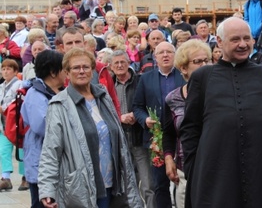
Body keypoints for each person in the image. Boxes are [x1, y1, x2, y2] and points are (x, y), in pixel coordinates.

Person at [180, 17, 262, 207]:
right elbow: (190, 129)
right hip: (216, 175)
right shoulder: (202, 78)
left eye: (247, 38)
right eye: (235, 39)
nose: (243, 44)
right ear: (219, 42)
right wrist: (194, 169)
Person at [38, 48, 142, 208]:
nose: (81, 71)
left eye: (86, 67)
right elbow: (50, 151)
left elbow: (117, 138)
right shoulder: (59, 105)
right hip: (82, 188)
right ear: (66, 72)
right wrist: (47, 189)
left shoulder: (103, 96)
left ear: (93, 70)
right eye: (75, 68)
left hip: (115, 186)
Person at [133, 41, 185, 208]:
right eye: (161, 52)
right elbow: (137, 106)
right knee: (160, 184)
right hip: (156, 139)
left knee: (183, 181)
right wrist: (145, 119)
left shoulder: (183, 76)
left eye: (169, 52)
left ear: (175, 55)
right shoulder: (146, 78)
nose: (165, 55)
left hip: (181, 138)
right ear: (155, 57)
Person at [163, 39, 211, 208]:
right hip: (185, 171)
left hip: (217, 170)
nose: (204, 65)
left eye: (207, 60)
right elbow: (168, 133)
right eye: (198, 61)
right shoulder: (172, 99)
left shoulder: (221, 95)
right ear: (183, 68)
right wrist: (169, 159)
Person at [108, 50, 155, 208]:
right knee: (128, 183)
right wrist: (120, 117)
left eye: (123, 62)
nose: (120, 66)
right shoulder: (108, 86)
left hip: (139, 136)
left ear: (129, 63)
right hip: (120, 139)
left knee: (148, 183)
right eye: (116, 63)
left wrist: (138, 115)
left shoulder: (140, 81)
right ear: (111, 67)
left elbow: (149, 103)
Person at [21, 50, 65, 208]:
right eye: (63, 68)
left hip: (55, 166)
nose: (66, 73)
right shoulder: (35, 94)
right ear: (53, 72)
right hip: (40, 164)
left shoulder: (55, 91)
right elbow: (43, 127)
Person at [0, 59, 25, 191]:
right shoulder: (1, 86)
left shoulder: (20, 85)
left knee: (21, 151)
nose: (5, 71)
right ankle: (5, 178)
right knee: (3, 151)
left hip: (17, 123)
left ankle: (25, 177)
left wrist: (3, 108)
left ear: (16, 71)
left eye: (9, 69)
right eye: (3, 69)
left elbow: (17, 102)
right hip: (3, 125)